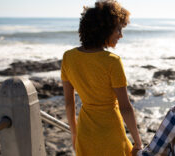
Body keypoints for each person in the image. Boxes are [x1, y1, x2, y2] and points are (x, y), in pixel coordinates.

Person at [61, 0, 142, 155]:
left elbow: (69, 103)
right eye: (118, 30)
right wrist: (138, 142)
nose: (121, 35)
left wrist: (74, 133)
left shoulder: (68, 57)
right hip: (111, 134)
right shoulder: (112, 61)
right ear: (105, 30)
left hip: (85, 133)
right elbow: (125, 107)